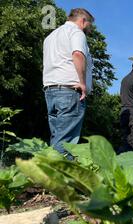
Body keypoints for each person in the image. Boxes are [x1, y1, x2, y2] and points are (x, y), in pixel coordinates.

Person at [43, 8, 94, 158]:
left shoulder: (51, 36)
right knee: (66, 142)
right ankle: (57, 179)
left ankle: (51, 174)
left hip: (51, 91)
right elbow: (77, 54)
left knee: (57, 137)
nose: (89, 28)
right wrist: (83, 83)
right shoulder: (76, 32)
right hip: (70, 91)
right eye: (89, 24)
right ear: (83, 21)